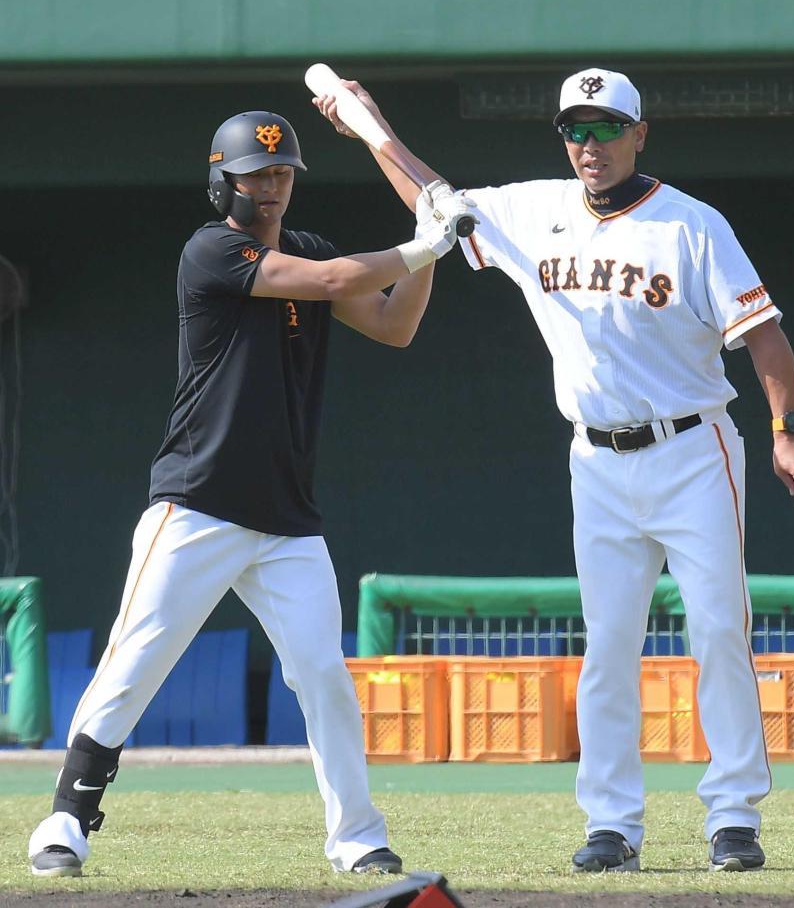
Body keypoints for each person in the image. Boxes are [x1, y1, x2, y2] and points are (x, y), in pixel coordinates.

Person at [316, 68, 794, 872]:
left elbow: (763, 336)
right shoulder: (534, 209)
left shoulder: (693, 225)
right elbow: (437, 200)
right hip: (597, 457)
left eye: (606, 127)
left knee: (720, 629)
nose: (590, 144)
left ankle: (734, 816)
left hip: (695, 448)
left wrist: (787, 430)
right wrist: (370, 122)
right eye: (575, 130)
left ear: (639, 134)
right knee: (609, 643)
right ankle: (613, 823)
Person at [28, 110, 476, 878]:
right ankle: (67, 817)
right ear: (223, 182)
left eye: (280, 175)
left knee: (325, 676)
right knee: (135, 659)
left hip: (286, 519)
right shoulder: (211, 251)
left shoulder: (305, 245)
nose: (269, 188)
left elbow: (394, 323)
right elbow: (338, 280)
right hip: (197, 500)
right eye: (254, 175)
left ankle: (358, 835)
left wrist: (424, 239)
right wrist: (429, 240)